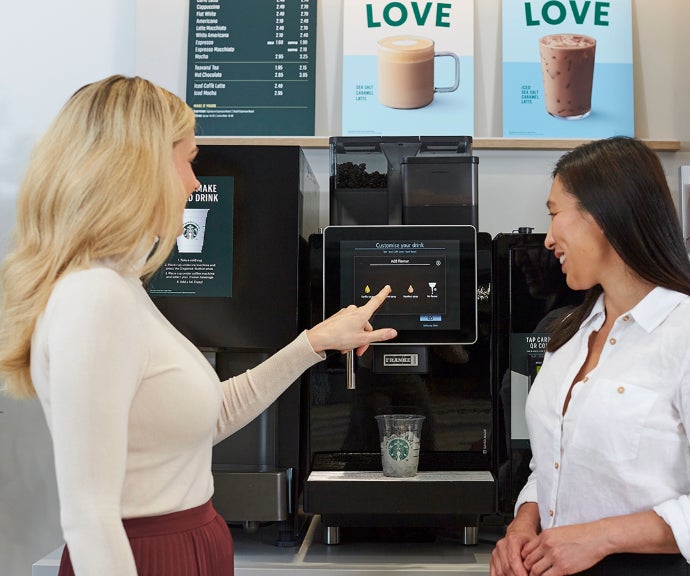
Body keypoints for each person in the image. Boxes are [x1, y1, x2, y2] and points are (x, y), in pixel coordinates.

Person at [0, 75, 397, 576]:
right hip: (146, 556)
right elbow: (89, 517)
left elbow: (209, 418)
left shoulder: (124, 288)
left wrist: (314, 342)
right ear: (136, 167)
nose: (196, 183)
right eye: (188, 161)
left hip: (188, 545)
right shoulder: (93, 298)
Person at [490, 136, 690, 576]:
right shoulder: (567, 336)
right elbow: (552, 466)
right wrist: (523, 525)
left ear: (602, 214)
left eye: (554, 213)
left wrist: (599, 537)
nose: (547, 239)